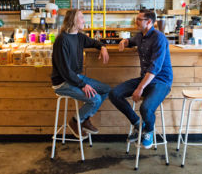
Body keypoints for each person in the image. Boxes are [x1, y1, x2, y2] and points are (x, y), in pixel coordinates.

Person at [109, 10, 173, 149]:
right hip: (145, 78)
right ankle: (138, 124)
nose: (135, 21)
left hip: (161, 81)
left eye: (139, 19)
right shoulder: (139, 36)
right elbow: (131, 41)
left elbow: (155, 68)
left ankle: (149, 131)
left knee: (146, 108)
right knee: (114, 94)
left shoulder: (159, 38)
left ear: (148, 22)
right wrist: (124, 41)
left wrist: (140, 88)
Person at [51, 9, 111, 138]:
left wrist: (103, 47)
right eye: (82, 18)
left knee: (106, 89)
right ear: (73, 20)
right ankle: (76, 121)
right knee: (95, 99)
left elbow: (94, 42)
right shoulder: (62, 40)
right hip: (62, 82)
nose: (84, 21)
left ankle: (83, 119)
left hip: (75, 78)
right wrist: (82, 85)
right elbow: (65, 71)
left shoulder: (79, 36)